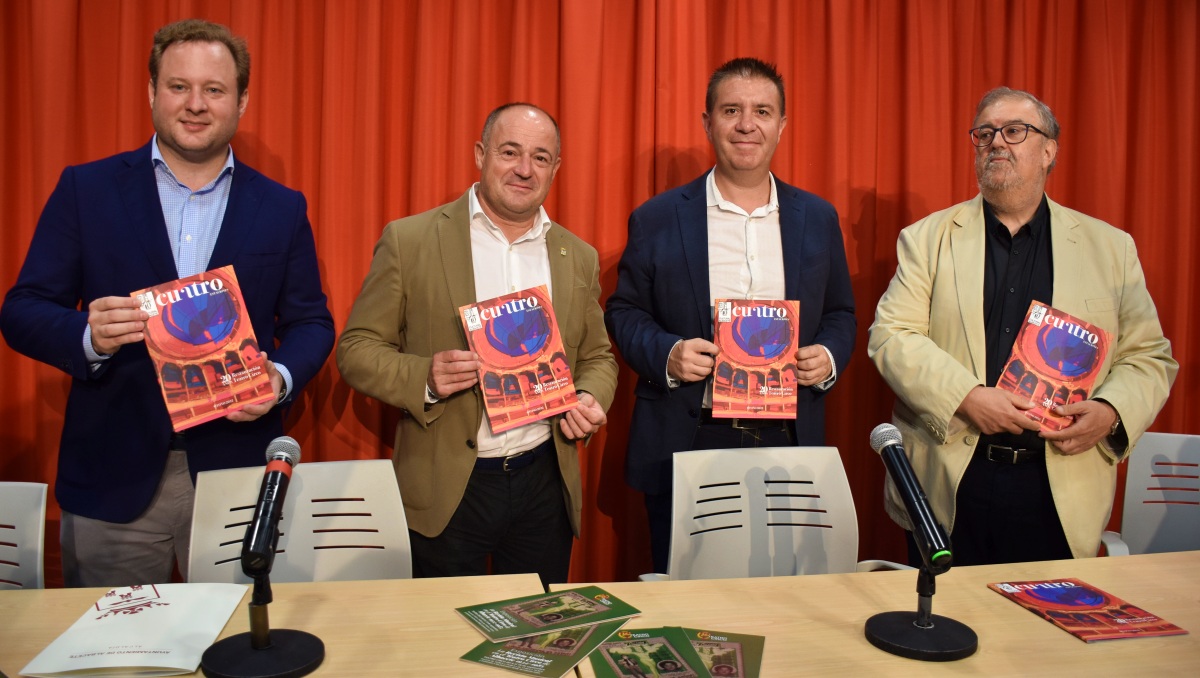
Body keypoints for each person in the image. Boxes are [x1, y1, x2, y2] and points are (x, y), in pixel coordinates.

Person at [0, 19, 335, 587]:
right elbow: (23, 309)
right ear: (152, 91)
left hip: (236, 472)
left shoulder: (281, 206)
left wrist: (277, 378)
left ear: (241, 101)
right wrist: (88, 335)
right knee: (115, 639)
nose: (195, 104)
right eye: (179, 86)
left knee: (238, 633)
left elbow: (311, 323)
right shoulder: (86, 190)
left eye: (214, 89)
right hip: (114, 474)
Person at [869, 87, 1177, 565]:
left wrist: (1110, 411)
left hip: (1058, 484)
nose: (996, 142)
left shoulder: (1111, 248)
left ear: (1049, 150)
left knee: (1046, 615)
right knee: (949, 612)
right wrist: (969, 397)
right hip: (951, 478)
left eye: (1014, 131)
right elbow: (892, 335)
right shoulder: (926, 238)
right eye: (985, 133)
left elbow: (1149, 356)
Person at [336, 103, 617, 587]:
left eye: (540, 157)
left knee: (534, 627)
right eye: (510, 152)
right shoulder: (410, 240)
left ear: (555, 168)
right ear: (480, 155)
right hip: (446, 484)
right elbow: (356, 349)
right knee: (443, 629)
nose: (524, 169)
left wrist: (590, 396)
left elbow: (598, 356)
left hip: (544, 479)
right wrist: (424, 377)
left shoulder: (577, 255)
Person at [605, 57, 857, 573]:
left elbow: (841, 313)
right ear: (708, 122)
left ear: (781, 125)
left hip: (790, 438)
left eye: (762, 111)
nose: (746, 124)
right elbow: (624, 311)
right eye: (731, 110)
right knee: (691, 600)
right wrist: (668, 354)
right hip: (689, 436)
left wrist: (829, 356)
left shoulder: (817, 217)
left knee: (787, 594)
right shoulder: (657, 217)